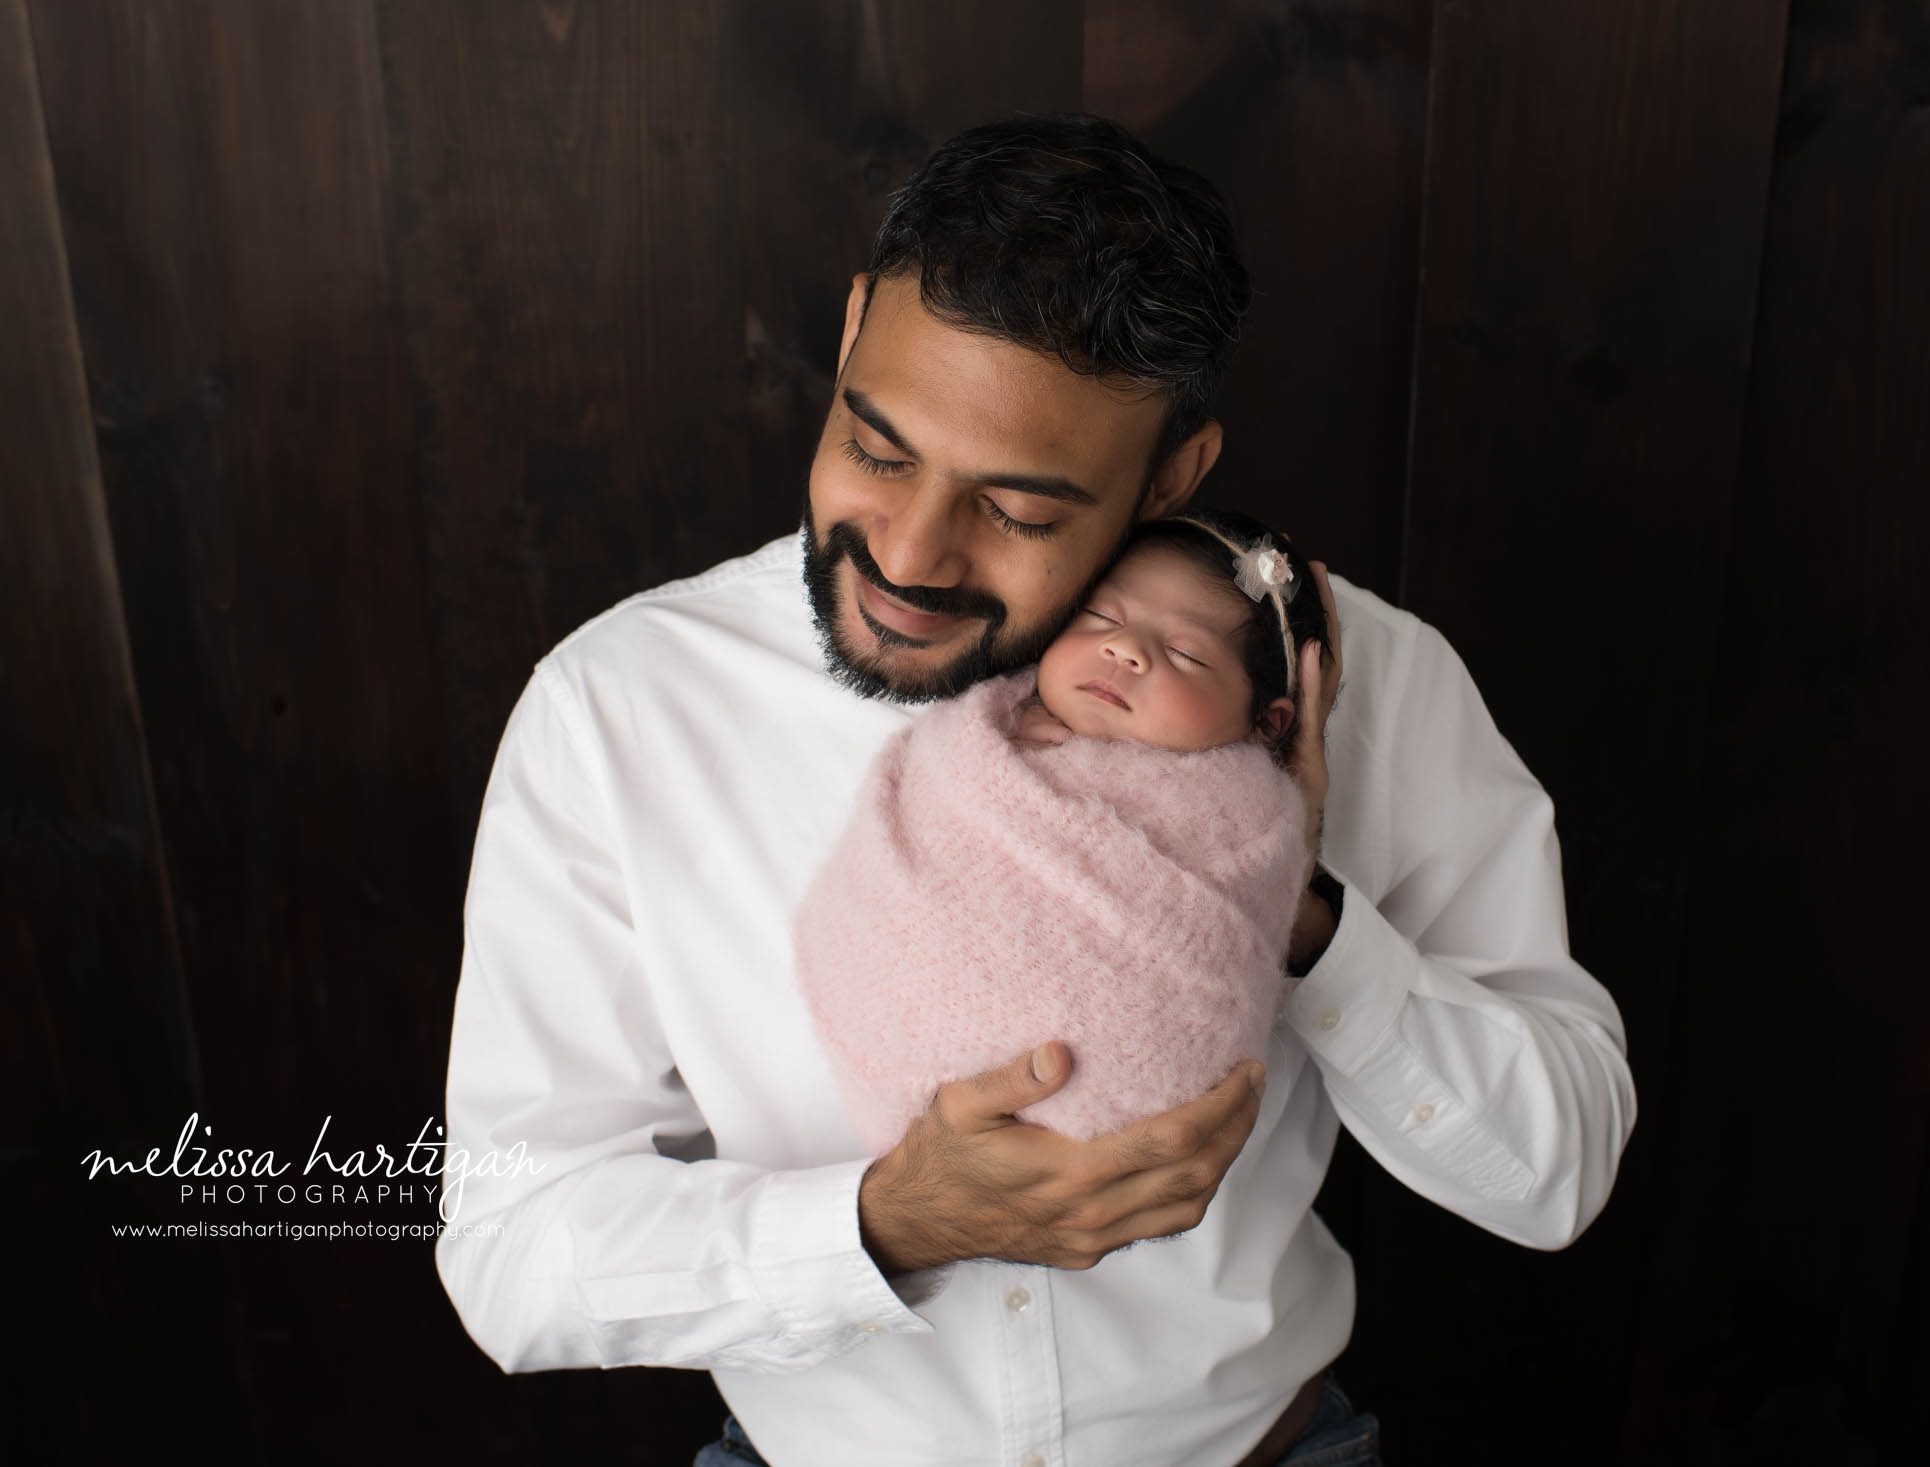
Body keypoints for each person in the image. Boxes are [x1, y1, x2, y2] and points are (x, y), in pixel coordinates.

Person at [434, 112, 1637, 1467]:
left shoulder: (1349, 679)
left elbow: (1561, 1169)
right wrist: (885, 1223)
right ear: (846, 339)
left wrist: (1295, 911)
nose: (907, 550)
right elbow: (512, 1249)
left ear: (1173, 474)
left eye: (1017, 509)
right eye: (878, 447)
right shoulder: (624, 708)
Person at [795, 510, 1336, 1163]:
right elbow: (913, 830)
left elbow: (1235, 937)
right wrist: (990, 748)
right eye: (1101, 619)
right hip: (891, 1076)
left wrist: (1294, 864)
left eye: (1188, 653)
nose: (1125, 648)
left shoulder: (1249, 814)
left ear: (1266, 723)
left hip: (1125, 1124)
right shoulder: (983, 728)